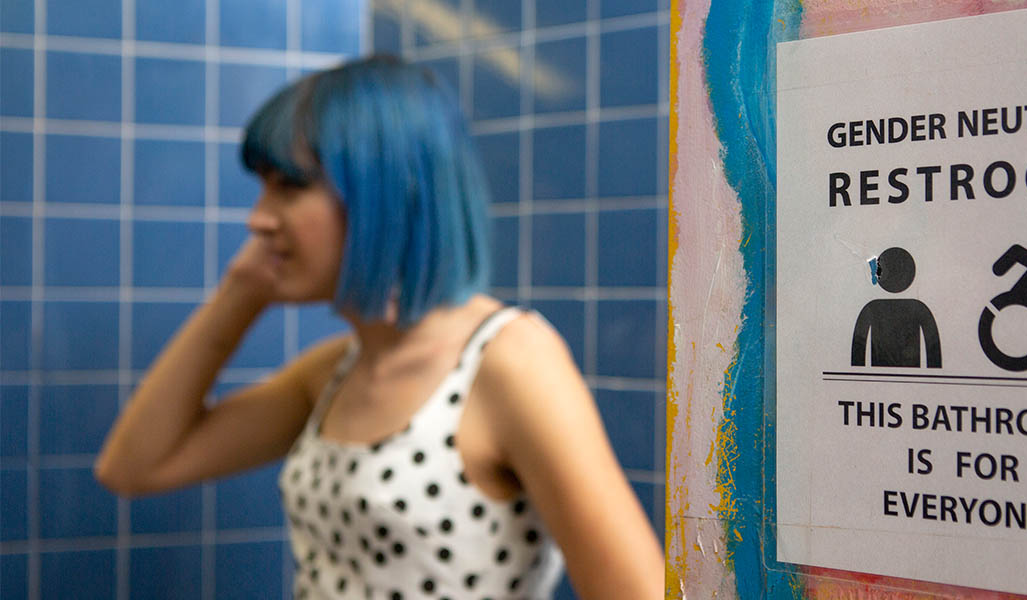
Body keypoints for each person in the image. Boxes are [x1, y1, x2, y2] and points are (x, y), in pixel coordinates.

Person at [95, 55, 663, 599]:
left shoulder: (509, 361)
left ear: (384, 194)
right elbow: (134, 466)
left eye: (288, 187)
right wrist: (239, 294)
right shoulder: (336, 371)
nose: (258, 218)